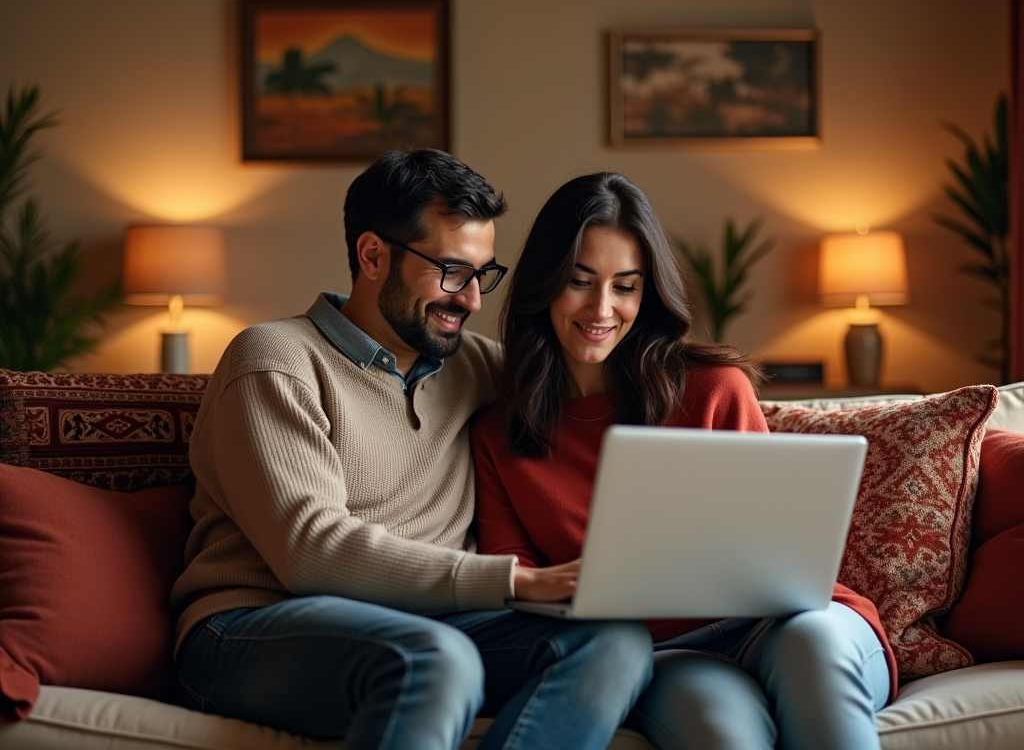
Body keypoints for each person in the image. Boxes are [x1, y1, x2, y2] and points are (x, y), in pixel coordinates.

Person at [169, 151, 653, 750]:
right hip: (250, 629)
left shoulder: (480, 367)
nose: (473, 300)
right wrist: (517, 582)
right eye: (452, 271)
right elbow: (309, 553)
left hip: (435, 626)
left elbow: (593, 385)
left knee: (614, 641)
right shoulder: (275, 361)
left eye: (484, 274)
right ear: (373, 256)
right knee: (436, 659)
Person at [471, 171, 899, 750]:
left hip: (791, 624)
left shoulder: (712, 387)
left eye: (626, 286)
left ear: (647, 293)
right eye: (580, 281)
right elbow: (515, 577)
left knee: (811, 656)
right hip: (672, 654)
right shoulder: (501, 433)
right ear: (543, 284)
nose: (603, 308)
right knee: (724, 734)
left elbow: (778, 545)